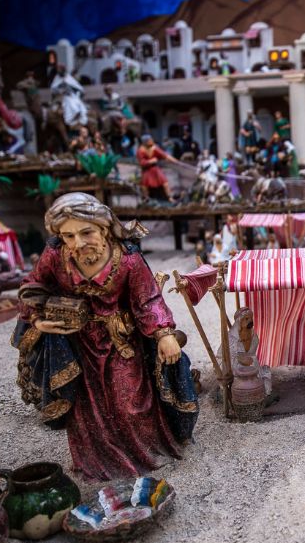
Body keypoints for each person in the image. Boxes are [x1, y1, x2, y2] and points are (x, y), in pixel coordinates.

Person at [14, 192, 196, 479]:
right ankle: (96, 463)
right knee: (87, 409)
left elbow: (147, 300)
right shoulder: (55, 256)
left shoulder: (128, 259)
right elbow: (33, 286)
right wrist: (38, 319)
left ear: (103, 228)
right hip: (78, 343)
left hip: (121, 343)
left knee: (131, 402)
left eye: (86, 232)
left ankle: (147, 455)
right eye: (68, 236)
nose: (77, 243)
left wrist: (163, 333)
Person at [136, 134, 181, 203]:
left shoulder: (155, 148)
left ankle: (170, 197)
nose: (152, 141)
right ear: (146, 142)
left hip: (155, 169)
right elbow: (142, 162)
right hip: (147, 170)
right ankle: (146, 198)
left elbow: (165, 156)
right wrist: (150, 161)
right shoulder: (140, 150)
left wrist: (175, 161)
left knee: (165, 182)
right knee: (144, 184)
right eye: (150, 140)